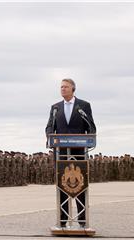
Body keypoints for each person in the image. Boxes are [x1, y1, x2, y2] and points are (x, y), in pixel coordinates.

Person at [45, 78, 96, 228]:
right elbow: (49, 127)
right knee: (62, 185)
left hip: (79, 152)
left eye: (66, 87)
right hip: (60, 153)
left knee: (79, 185)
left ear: (73, 89)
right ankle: (62, 221)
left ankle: (82, 221)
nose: (62, 89)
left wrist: (89, 138)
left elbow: (91, 127)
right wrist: (50, 137)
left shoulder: (84, 106)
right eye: (61, 87)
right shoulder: (55, 107)